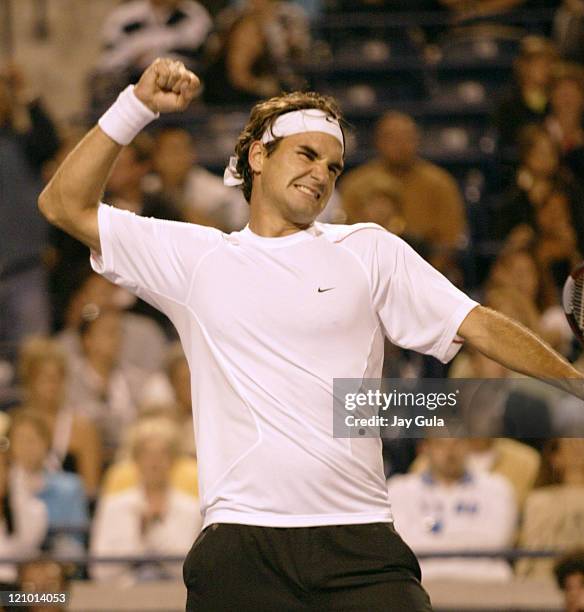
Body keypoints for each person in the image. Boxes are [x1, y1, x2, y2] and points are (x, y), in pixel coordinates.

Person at [39, 58, 584, 611]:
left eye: (334, 165)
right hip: (241, 545)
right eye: (307, 154)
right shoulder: (196, 259)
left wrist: (574, 384)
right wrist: (136, 106)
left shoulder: (369, 250)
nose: (322, 174)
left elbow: (479, 324)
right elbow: (63, 204)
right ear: (257, 156)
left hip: (360, 540)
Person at [339, 111, 467, 280]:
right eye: (392, 138)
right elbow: (344, 235)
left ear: (417, 140)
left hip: (427, 269)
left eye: (407, 137)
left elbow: (450, 239)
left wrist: (425, 277)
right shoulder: (355, 183)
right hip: (366, 270)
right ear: (377, 141)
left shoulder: (440, 183)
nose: (400, 144)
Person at [387, 438, 517, 582]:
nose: (450, 452)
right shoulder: (399, 489)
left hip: (485, 582)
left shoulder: (497, 487)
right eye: (440, 444)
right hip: (420, 582)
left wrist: (432, 537)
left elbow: (495, 543)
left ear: (468, 446)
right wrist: (465, 533)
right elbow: (404, 546)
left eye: (457, 443)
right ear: (425, 448)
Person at [90, 417, 201, 582]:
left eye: (163, 453)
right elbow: (100, 571)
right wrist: (139, 536)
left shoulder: (192, 509)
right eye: (147, 454)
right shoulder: (113, 506)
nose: (154, 462)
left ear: (174, 460)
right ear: (135, 459)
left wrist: (154, 531)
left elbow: (190, 572)